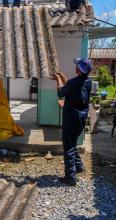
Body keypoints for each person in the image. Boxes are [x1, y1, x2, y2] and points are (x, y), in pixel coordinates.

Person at [54, 58, 92, 186]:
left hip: (71, 118)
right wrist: (65, 79)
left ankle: (70, 177)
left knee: (68, 146)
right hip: (81, 118)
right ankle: (79, 166)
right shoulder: (88, 82)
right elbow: (72, 87)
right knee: (73, 141)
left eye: (76, 66)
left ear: (79, 70)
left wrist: (58, 80)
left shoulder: (73, 82)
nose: (75, 67)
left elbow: (60, 93)